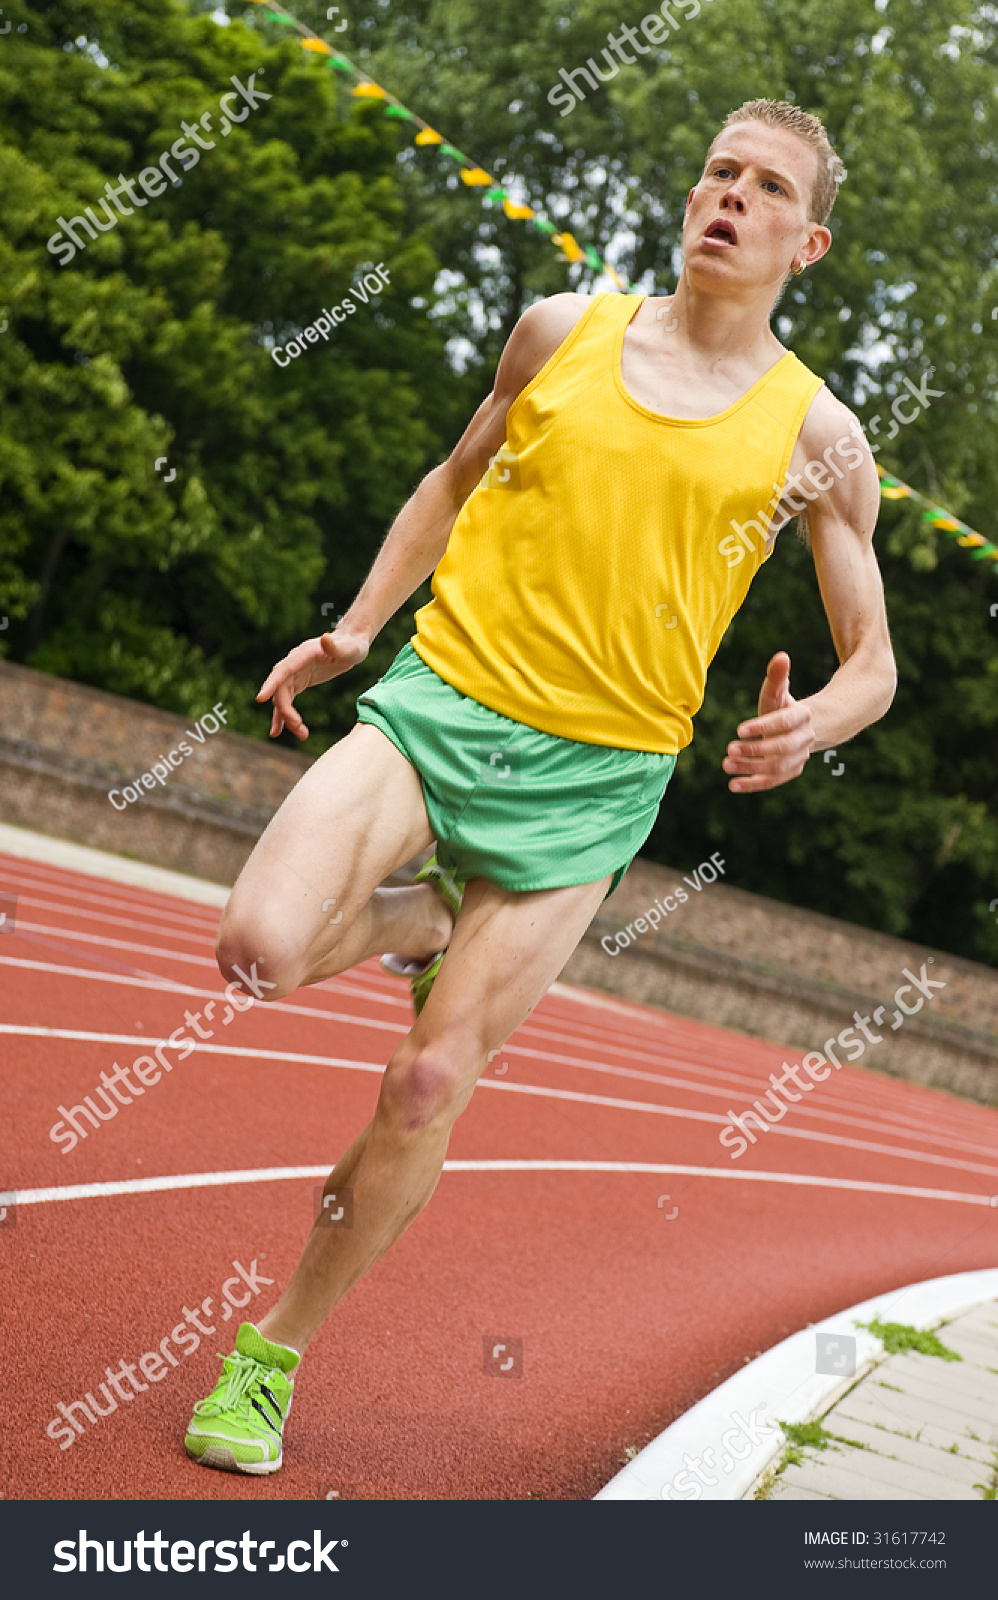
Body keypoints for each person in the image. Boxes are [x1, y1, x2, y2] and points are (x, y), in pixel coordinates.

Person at [183, 98, 897, 1474]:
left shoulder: (819, 435)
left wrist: (813, 724)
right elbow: (452, 480)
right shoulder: (562, 331)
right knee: (256, 949)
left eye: (761, 189)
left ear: (803, 243)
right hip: (443, 702)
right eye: (714, 170)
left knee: (425, 1080)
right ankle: (425, 917)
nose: (726, 198)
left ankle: (266, 1358)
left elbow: (872, 661)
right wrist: (358, 622)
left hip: (592, 782)